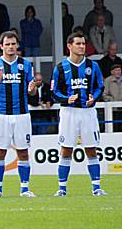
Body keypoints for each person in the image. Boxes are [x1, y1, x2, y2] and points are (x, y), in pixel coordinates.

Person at [51, 32, 105, 197]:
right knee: (66, 150)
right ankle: (62, 188)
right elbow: (54, 92)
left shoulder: (93, 66)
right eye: (78, 44)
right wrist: (67, 99)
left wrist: (93, 98)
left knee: (91, 149)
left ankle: (96, 187)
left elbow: (100, 87)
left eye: (83, 43)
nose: (82, 46)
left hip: (88, 112)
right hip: (69, 113)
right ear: (69, 46)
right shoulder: (60, 68)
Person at [0, 31, 37, 198]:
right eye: (7, 44)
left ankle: (25, 189)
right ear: (1, 46)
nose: (11, 47)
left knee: (22, 152)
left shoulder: (26, 65)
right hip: (1, 115)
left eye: (13, 44)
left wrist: (32, 88)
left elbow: (33, 91)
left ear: (17, 45)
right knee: (0, 152)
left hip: (22, 114)